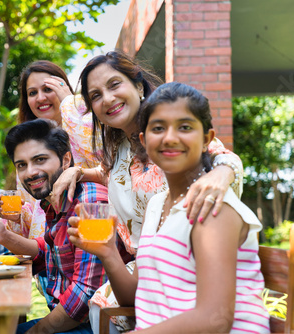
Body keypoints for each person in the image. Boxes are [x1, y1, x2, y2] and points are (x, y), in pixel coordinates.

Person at [51, 51, 244, 332]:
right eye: (95, 95)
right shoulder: (121, 148)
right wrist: (78, 171)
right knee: (102, 301)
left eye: (114, 84)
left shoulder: (170, 135)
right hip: (147, 267)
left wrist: (222, 173)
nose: (107, 98)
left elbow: (223, 157)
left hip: (185, 270)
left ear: (138, 86)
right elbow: (116, 176)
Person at [0, 119, 128, 334]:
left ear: (65, 159)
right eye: (21, 165)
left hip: (96, 326)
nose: (30, 172)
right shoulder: (54, 203)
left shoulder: (90, 204)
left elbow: (86, 293)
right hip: (71, 320)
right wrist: (3, 236)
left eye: (40, 160)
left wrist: (34, 332)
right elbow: (46, 251)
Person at [6, 60, 102, 240]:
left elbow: (102, 160)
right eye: (32, 93)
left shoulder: (91, 122)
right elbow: (34, 215)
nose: (40, 98)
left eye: (47, 89)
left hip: (90, 229)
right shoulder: (27, 150)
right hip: (48, 250)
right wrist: (16, 218)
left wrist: (69, 102)